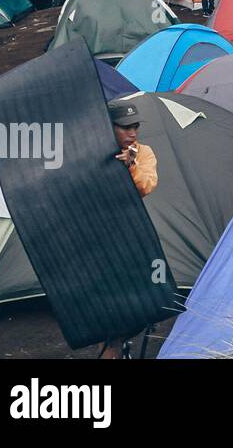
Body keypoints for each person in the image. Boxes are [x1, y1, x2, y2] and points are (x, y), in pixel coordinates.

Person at [98, 96, 158, 359]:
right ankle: (112, 349)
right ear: (109, 126)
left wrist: (130, 165)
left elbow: (146, 186)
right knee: (109, 300)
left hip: (132, 231)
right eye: (125, 127)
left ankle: (116, 345)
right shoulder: (96, 151)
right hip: (101, 233)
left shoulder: (143, 152)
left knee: (146, 298)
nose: (132, 133)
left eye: (135, 126)